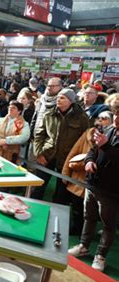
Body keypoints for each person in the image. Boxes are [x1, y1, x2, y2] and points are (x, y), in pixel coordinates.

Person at [68, 101, 119, 272]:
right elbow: (93, 151)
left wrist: (106, 146)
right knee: (88, 217)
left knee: (107, 225)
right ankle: (83, 246)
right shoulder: (109, 130)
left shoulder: (108, 135)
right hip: (93, 184)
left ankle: (100, 255)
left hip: (111, 191)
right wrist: (89, 161)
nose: (116, 119)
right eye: (116, 114)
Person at [32, 88, 89, 204]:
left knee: (61, 194)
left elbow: (84, 141)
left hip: (67, 160)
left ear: (71, 101)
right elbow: (39, 135)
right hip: (47, 155)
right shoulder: (49, 114)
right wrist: (38, 153)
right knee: (37, 188)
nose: (59, 99)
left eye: (62, 97)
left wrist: (76, 160)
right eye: (58, 97)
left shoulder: (82, 118)